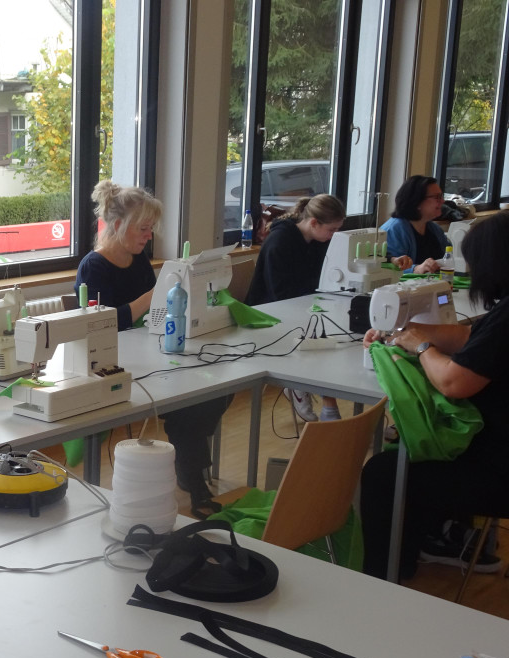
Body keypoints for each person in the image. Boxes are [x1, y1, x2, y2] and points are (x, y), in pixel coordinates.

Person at [359, 211, 509, 580]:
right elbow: (469, 338)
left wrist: (422, 346)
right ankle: (435, 538)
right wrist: (405, 330)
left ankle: (384, 579)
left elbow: (453, 383)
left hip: (498, 471)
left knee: (384, 472)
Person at [75, 180, 231, 516]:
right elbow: (105, 323)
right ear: (119, 225)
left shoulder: (139, 260)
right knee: (188, 404)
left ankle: (189, 466)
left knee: (214, 390)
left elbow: (157, 313)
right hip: (113, 363)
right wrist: (156, 293)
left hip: (147, 352)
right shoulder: (93, 266)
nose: (149, 236)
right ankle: (193, 478)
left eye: (150, 229)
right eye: (143, 229)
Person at [246, 194, 346, 421]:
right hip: (268, 315)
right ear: (314, 223)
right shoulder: (280, 243)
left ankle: (321, 398)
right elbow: (280, 295)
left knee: (336, 338)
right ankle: (302, 386)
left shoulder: (318, 241)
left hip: (298, 306)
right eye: (332, 230)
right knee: (327, 342)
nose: (334, 235)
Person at [379, 175, 451, 274]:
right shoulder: (393, 230)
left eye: (441, 196)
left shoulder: (435, 229)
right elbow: (387, 268)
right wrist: (416, 269)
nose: (442, 201)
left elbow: (449, 257)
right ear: (417, 201)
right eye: (437, 197)